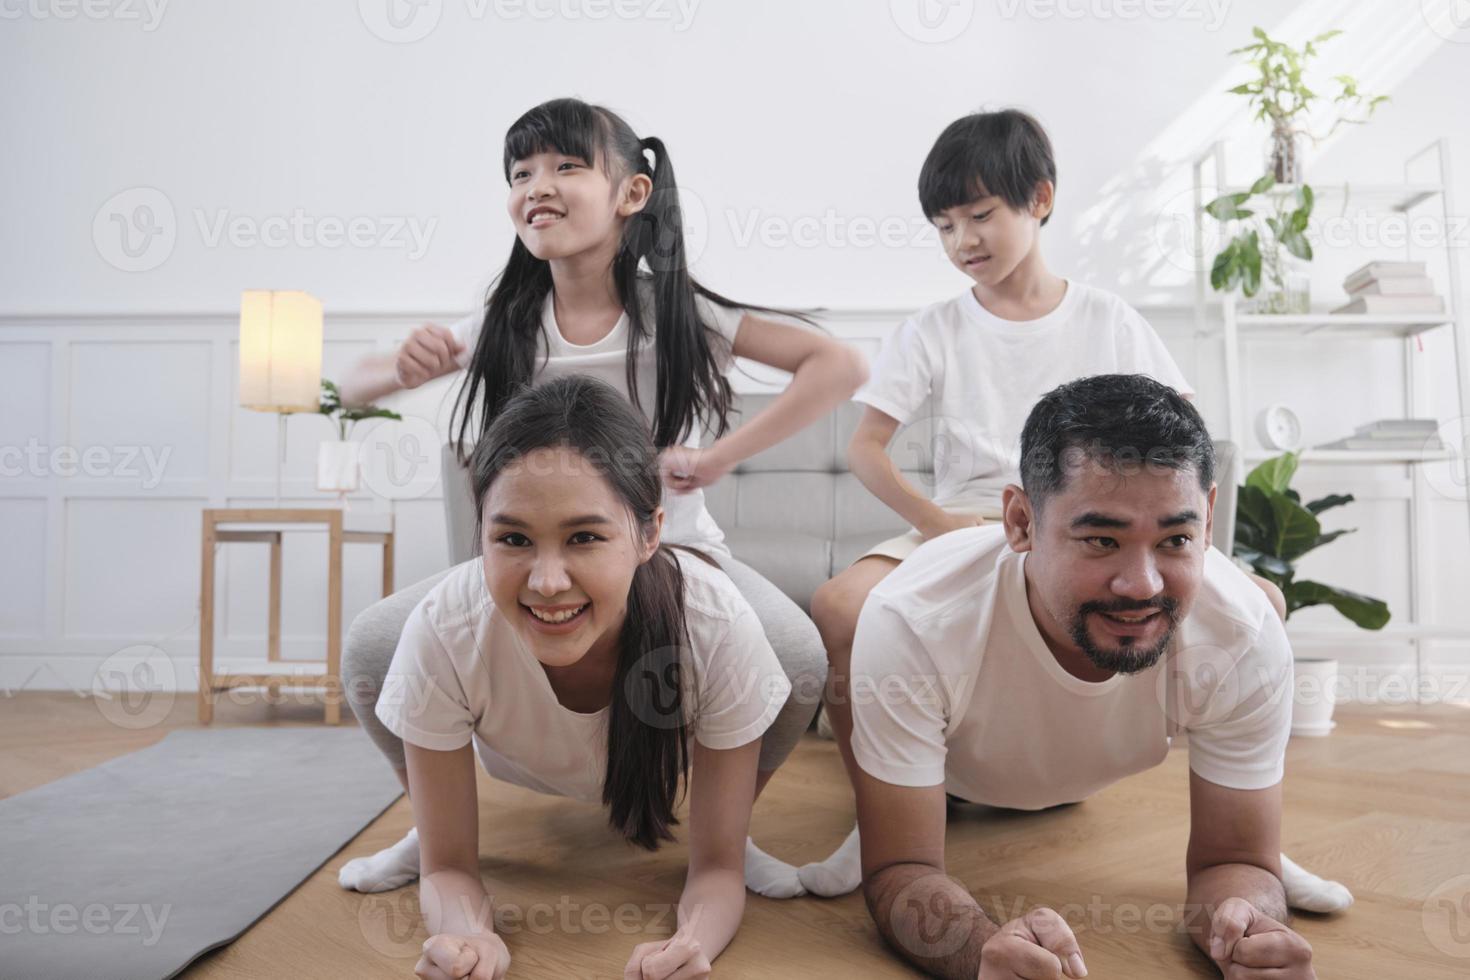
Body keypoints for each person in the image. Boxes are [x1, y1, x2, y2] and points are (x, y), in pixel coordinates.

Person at [801, 109, 1348, 915]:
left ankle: (1252, 842)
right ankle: (873, 821)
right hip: (967, 516)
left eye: (980, 215)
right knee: (840, 603)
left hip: (1101, 518)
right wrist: (937, 522)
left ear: (1041, 200)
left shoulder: (1106, 317)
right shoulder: (934, 329)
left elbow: (1182, 453)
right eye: (944, 226)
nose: (963, 241)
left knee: (1261, 604)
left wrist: (1180, 547)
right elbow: (865, 448)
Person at [337, 97, 866, 899]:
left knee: (794, 659)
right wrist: (402, 366)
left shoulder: (678, 313)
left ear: (632, 193)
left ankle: (727, 835)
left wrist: (717, 457)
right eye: (520, 173)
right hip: (541, 556)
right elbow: (347, 386)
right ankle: (433, 827)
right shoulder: (506, 321)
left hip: (675, 553)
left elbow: (838, 365)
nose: (536, 186)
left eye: (564, 166)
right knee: (373, 648)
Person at [824, 374, 1320, 979]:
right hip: (953, 773)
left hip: (1077, 771)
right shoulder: (915, 621)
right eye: (1101, 539)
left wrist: (1248, 925)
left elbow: (1235, 859)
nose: (1142, 585)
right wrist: (981, 952)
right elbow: (900, 868)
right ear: (1020, 522)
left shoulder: (1241, 629)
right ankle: (879, 785)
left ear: (1209, 519)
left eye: (1175, 539)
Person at [371, 376, 794, 980]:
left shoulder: (716, 628)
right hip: (509, 752)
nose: (547, 582)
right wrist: (467, 937)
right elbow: (448, 868)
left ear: (650, 533)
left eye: (584, 538)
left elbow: (718, 870)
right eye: (513, 538)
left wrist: (691, 943)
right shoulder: (444, 627)